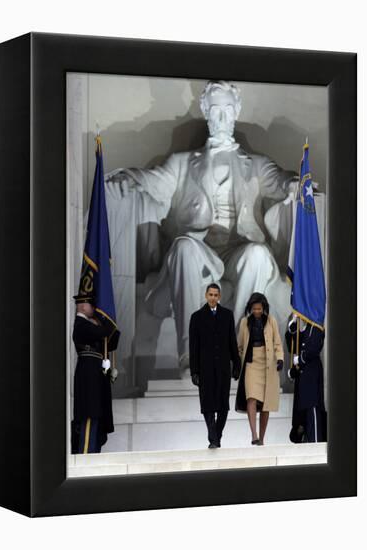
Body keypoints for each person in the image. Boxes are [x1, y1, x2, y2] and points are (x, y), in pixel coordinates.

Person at [106, 80, 298, 377]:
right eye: (216, 110)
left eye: (227, 110)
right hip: (200, 250)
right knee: (182, 246)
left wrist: (295, 184)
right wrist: (129, 177)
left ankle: (236, 350)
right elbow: (154, 181)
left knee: (259, 254)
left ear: (236, 112)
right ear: (207, 113)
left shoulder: (256, 164)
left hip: (239, 252)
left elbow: (281, 180)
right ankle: (190, 356)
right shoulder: (183, 163)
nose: (222, 118)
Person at [189, 283, 241, 448]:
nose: (212, 298)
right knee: (208, 405)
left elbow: (232, 341)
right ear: (206, 296)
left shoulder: (227, 315)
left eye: (215, 295)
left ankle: (216, 435)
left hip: (223, 368)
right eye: (210, 295)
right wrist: (194, 371)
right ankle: (214, 439)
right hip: (205, 369)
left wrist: (237, 365)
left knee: (223, 406)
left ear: (219, 297)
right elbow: (193, 347)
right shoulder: (196, 317)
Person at [71, 298, 120, 454]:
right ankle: (86, 452)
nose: (95, 309)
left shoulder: (91, 325)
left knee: (97, 415)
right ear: (83, 306)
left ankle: (93, 450)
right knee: (89, 415)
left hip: (96, 377)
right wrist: (105, 317)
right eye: (93, 306)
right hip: (88, 377)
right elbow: (103, 332)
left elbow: (111, 340)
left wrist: (104, 321)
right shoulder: (81, 324)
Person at [235, 293, 283, 445]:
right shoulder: (244, 322)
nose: (257, 311)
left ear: (264, 308)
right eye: (254, 308)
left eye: (259, 309)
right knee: (251, 398)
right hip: (250, 363)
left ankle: (262, 438)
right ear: (250, 308)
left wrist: (280, 358)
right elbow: (240, 347)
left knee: (266, 404)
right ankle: (254, 435)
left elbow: (277, 343)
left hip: (267, 363)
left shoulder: (271, 321)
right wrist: (237, 364)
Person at [285, 315, 327, 443]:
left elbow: (313, 349)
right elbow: (293, 344)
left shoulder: (316, 327)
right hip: (303, 377)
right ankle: (307, 440)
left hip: (312, 375)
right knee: (302, 410)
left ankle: (315, 440)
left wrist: (301, 359)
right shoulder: (306, 328)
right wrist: (293, 327)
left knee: (312, 407)